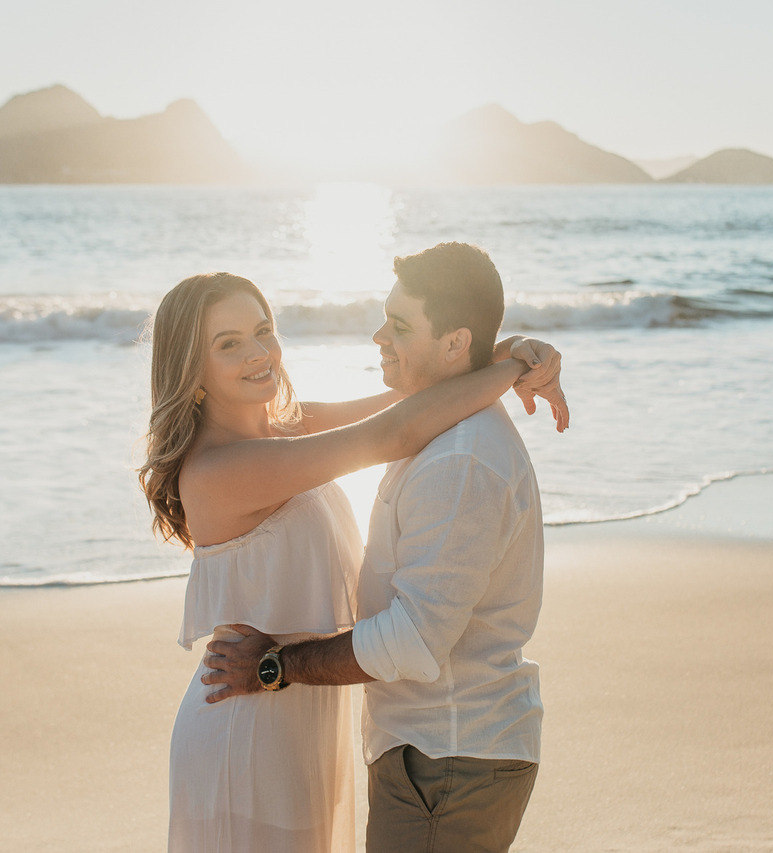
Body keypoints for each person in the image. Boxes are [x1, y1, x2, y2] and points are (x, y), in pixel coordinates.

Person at [139, 267, 566, 853]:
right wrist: (515, 367)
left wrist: (507, 349)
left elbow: (420, 387)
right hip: (245, 722)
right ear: (192, 373)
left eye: (263, 330)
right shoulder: (218, 472)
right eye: (229, 344)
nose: (260, 352)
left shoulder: (293, 428)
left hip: (298, 708)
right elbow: (397, 431)